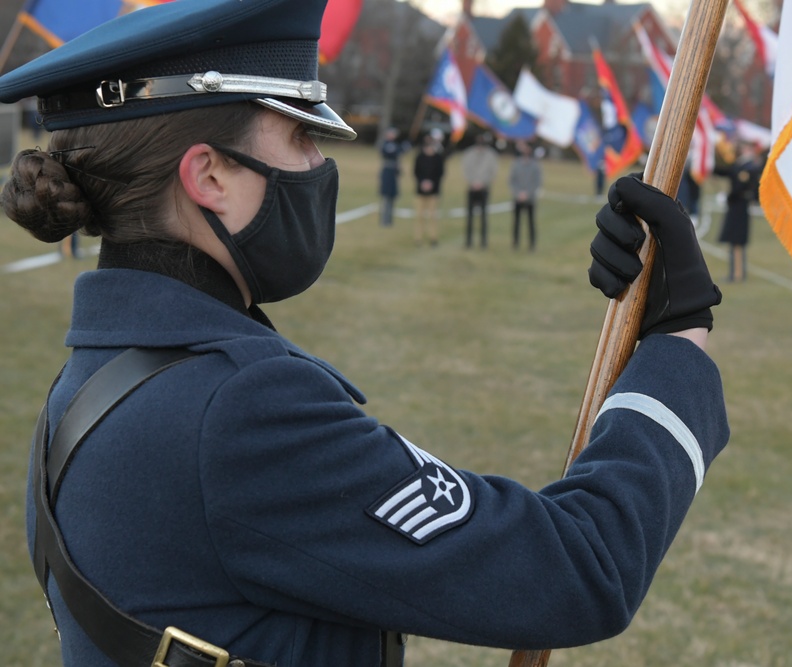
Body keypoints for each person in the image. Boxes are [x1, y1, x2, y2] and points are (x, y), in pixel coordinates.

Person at [0, 1, 728, 666]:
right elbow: (580, 569)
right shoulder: (239, 409)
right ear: (209, 176)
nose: (318, 166)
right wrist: (677, 338)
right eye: (299, 134)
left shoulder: (86, 388)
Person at [715, 141, 764, 282]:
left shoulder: (749, 167)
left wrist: (728, 197)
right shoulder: (739, 165)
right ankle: (736, 273)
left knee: (737, 241)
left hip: (740, 206)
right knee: (734, 241)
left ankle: (737, 274)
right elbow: (724, 171)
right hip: (736, 206)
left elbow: (740, 187)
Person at [460, 132, 498, 248]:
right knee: (470, 217)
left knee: (483, 217)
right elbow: (466, 169)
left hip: (484, 188)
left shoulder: (491, 155)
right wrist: (473, 182)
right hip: (472, 187)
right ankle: (469, 241)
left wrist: (482, 182)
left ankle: (483, 242)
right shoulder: (469, 154)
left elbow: (493, 171)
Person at [412, 132, 445, 246]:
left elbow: (440, 173)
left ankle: (433, 237)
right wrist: (423, 183)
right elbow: (416, 172)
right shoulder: (420, 157)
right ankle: (418, 238)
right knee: (420, 216)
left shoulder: (438, 158)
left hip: (434, 191)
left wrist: (431, 184)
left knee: (432, 216)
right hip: (421, 191)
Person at [508, 141, 542, 251]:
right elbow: (512, 180)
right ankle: (515, 243)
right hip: (518, 198)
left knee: (531, 222)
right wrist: (518, 193)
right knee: (516, 222)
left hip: (530, 199)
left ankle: (532, 244)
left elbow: (537, 182)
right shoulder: (516, 164)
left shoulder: (535, 166)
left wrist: (528, 193)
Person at [377, 127, 407, 227]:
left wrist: (405, 147)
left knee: (393, 196)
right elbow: (390, 153)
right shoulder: (386, 144)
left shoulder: (396, 144)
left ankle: (390, 220)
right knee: (386, 197)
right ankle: (384, 220)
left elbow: (400, 152)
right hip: (387, 172)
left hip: (394, 172)